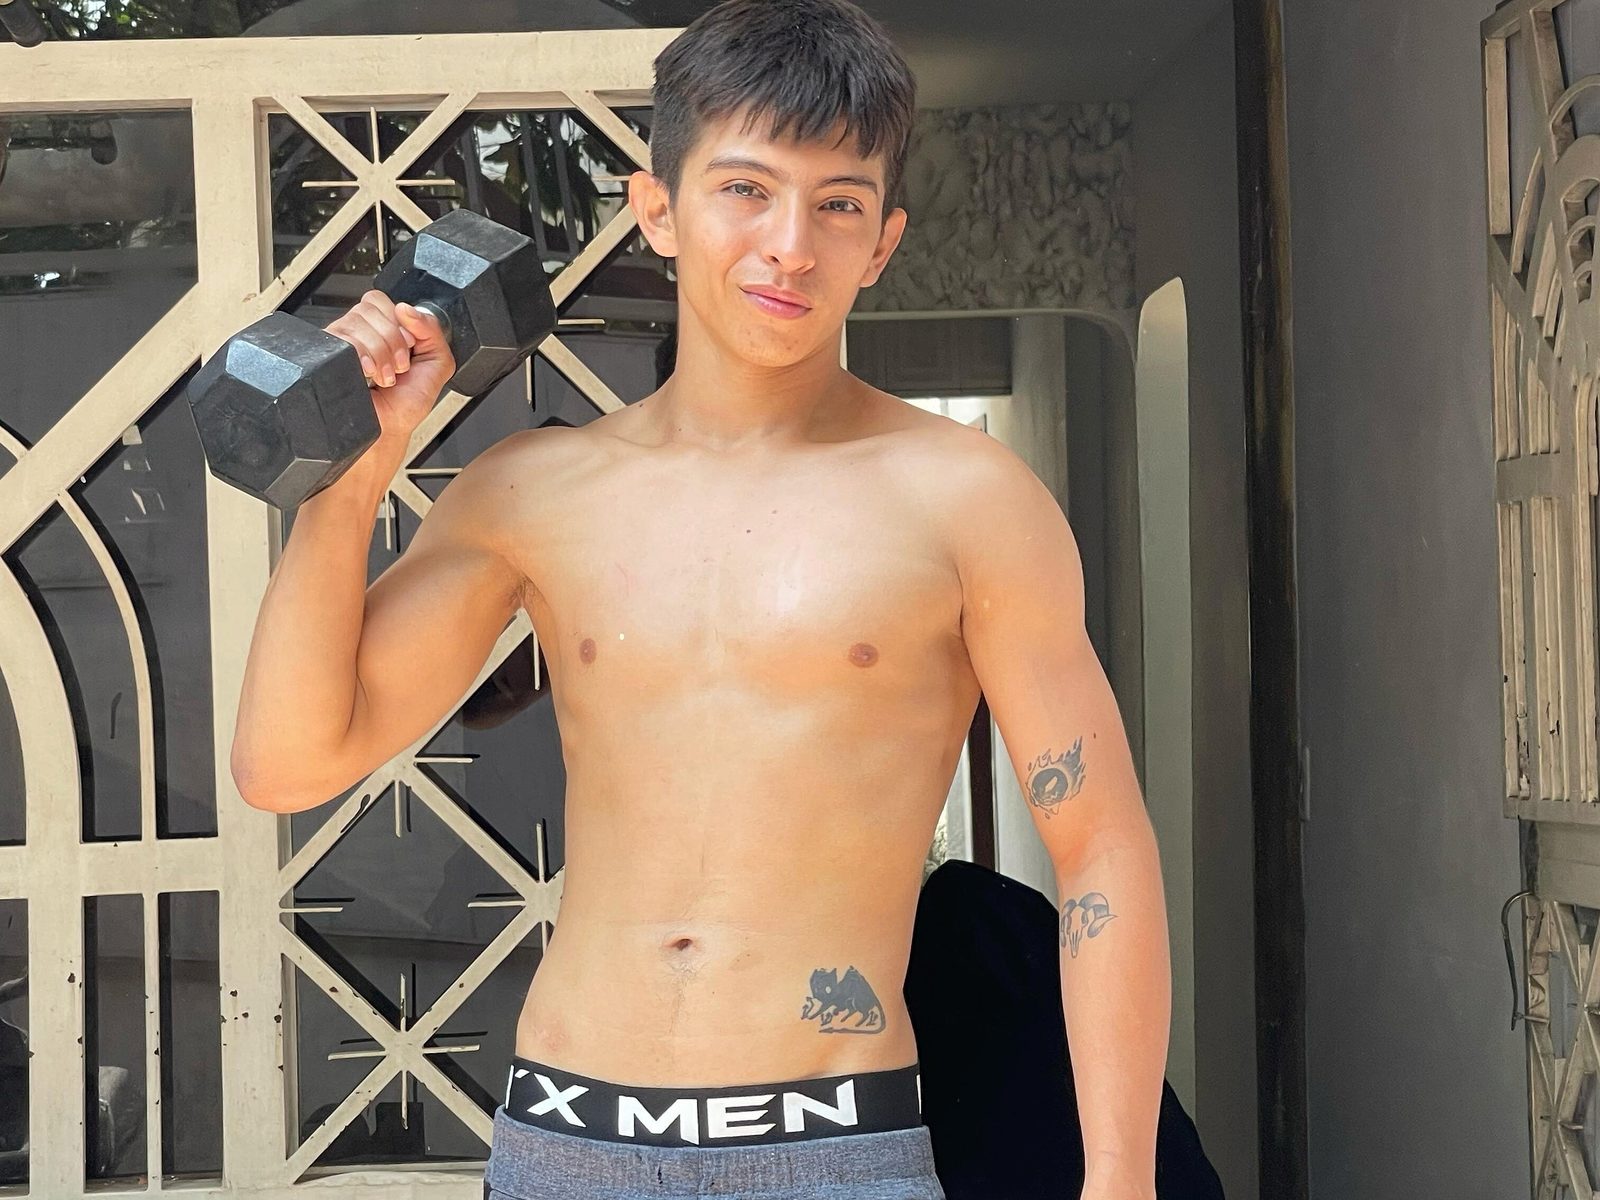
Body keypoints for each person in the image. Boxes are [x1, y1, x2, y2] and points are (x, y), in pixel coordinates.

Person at [228, 0, 1172, 1196]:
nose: (790, 246)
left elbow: (1099, 851)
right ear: (657, 210)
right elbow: (288, 765)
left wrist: (1120, 1179)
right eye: (745, 190)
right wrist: (352, 480)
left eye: (838, 205)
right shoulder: (534, 490)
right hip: (565, 1144)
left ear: (883, 242)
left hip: (833, 1149)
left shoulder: (968, 499)